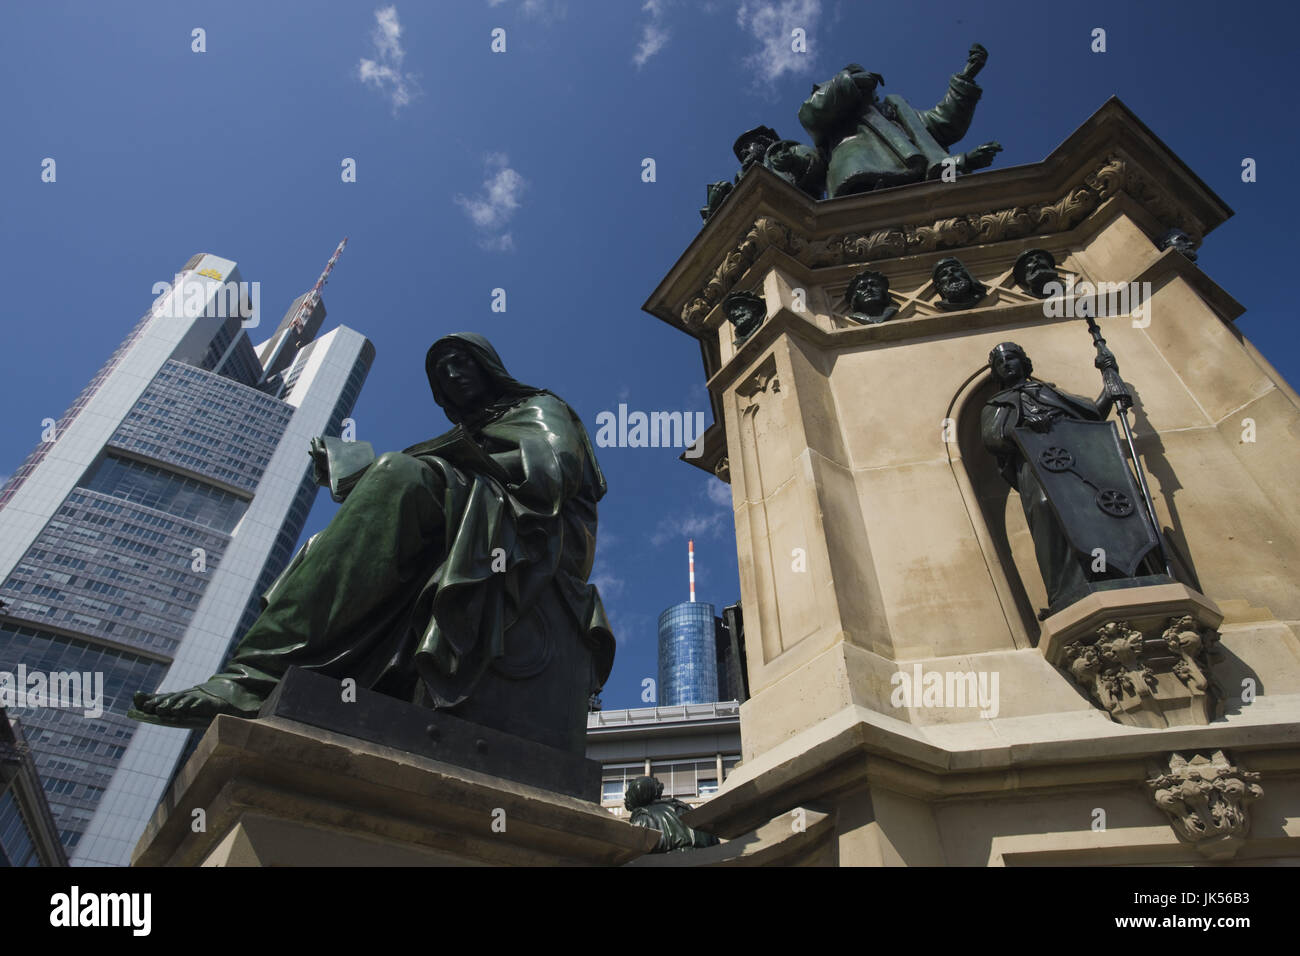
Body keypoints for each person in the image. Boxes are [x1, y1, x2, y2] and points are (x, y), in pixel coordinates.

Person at [130, 333, 615, 755]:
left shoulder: (538, 407)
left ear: (488, 365)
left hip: (535, 526)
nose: (451, 373)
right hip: (475, 507)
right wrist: (356, 470)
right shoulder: (462, 434)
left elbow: (555, 472)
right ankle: (296, 672)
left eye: (460, 361)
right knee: (343, 524)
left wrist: (425, 462)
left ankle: (252, 677)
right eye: (441, 370)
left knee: (398, 473)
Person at [798, 45, 1002, 197]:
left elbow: (944, 124)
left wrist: (965, 78)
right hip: (861, 180)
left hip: (918, 184)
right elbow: (811, 113)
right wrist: (850, 82)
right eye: (858, 78)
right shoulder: (835, 116)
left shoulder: (895, 109)